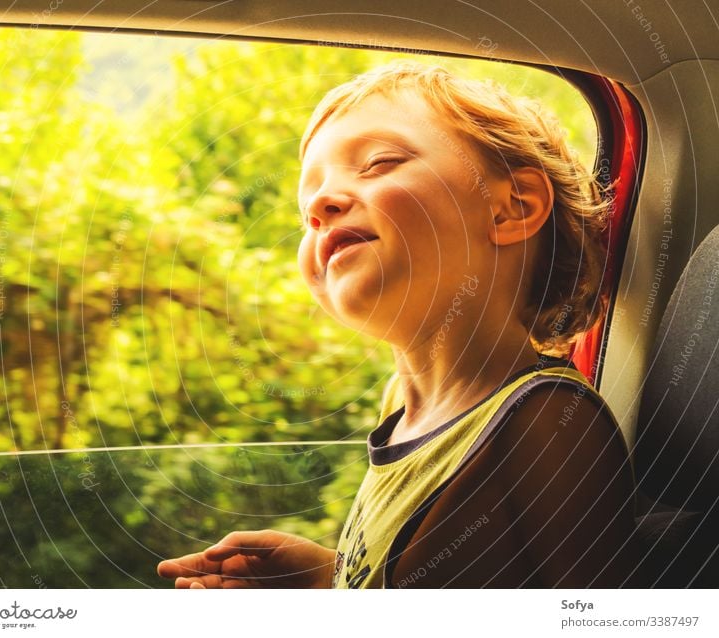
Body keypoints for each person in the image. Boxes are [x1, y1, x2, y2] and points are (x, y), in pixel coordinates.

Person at [157, 62, 643, 588]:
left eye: (378, 163)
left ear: (510, 209)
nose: (319, 206)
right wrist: (328, 581)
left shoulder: (546, 421)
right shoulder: (399, 406)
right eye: (306, 211)